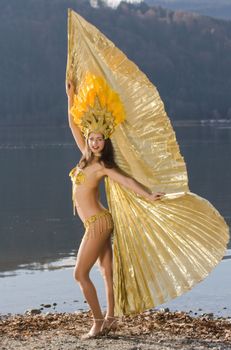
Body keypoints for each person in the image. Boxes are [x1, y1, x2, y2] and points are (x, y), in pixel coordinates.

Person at [66, 78, 165, 339]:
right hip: (95, 223)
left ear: (105, 142)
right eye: (92, 139)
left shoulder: (102, 166)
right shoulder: (85, 158)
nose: (96, 143)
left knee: (79, 274)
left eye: (100, 139)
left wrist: (148, 195)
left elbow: (128, 181)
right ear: (88, 140)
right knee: (106, 272)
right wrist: (71, 97)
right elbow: (72, 124)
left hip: (98, 222)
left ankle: (97, 323)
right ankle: (110, 318)